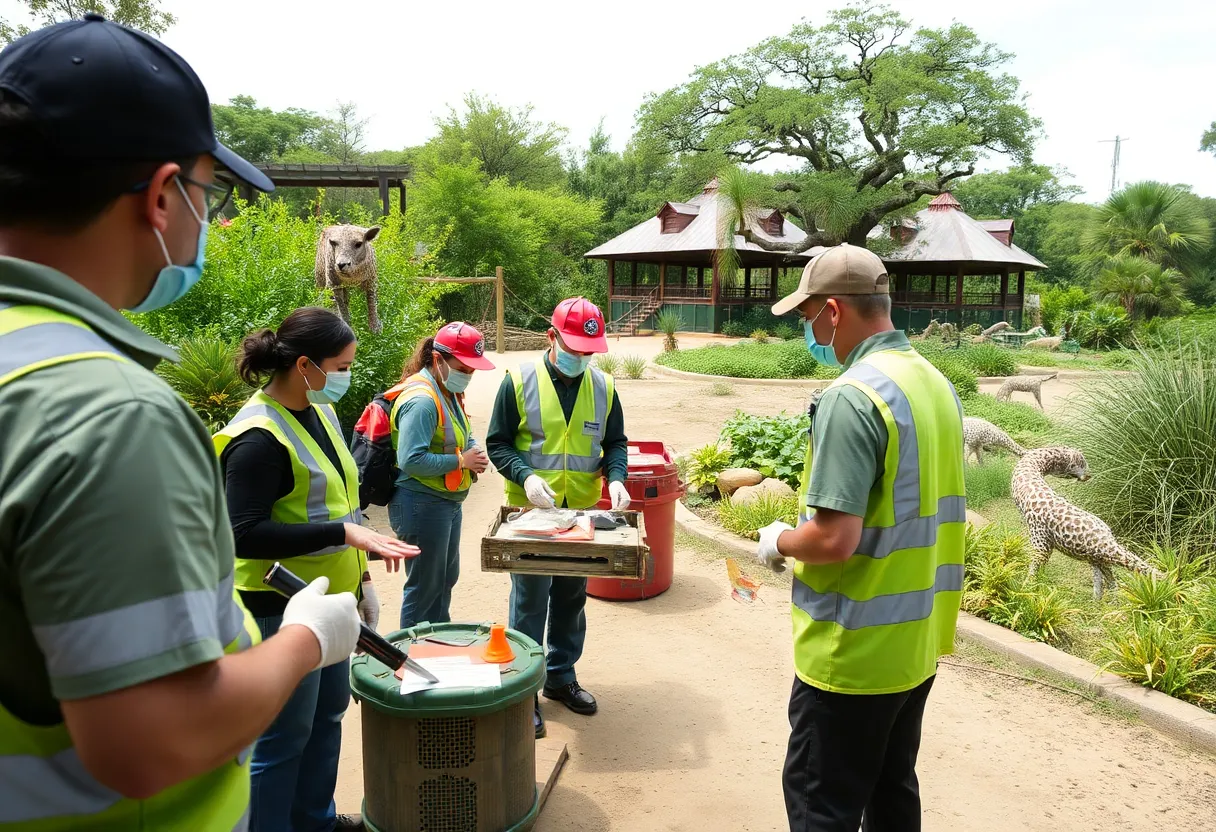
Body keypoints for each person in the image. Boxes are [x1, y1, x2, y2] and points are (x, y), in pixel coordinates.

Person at [0, 16, 363, 830]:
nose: (209, 220)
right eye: (211, 194)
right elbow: (149, 744)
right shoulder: (105, 413)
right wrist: (305, 637)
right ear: (163, 197)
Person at [755, 244, 966, 832]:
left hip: (851, 656)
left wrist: (778, 541)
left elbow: (833, 539)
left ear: (833, 312)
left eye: (806, 318)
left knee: (822, 806)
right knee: (892, 793)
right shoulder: (933, 383)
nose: (809, 330)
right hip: (915, 644)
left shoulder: (853, 396)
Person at [216, 307, 420, 832]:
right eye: (343, 365)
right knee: (283, 740)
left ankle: (316, 821)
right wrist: (343, 535)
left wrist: (364, 580)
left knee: (327, 720)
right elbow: (241, 534)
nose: (349, 375)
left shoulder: (321, 412)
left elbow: (340, 504)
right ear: (305, 365)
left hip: (333, 602)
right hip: (278, 610)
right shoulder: (257, 438)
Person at [486, 297, 631, 739]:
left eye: (589, 352)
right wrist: (525, 476)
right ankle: (523, 690)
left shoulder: (603, 387)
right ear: (552, 337)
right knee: (530, 602)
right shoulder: (517, 381)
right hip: (531, 513)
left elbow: (616, 443)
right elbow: (498, 443)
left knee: (571, 597)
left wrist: (618, 478)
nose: (582, 359)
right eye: (574, 349)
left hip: (582, 513)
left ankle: (561, 676)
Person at [388, 322, 495, 628]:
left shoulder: (446, 389)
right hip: (421, 503)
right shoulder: (422, 400)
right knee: (423, 587)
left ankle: (438, 646)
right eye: (463, 368)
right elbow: (410, 459)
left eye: (472, 370)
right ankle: (410, 660)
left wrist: (472, 450)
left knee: (444, 579)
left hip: (444, 502)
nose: (468, 376)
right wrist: (461, 462)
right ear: (438, 359)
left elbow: (463, 431)